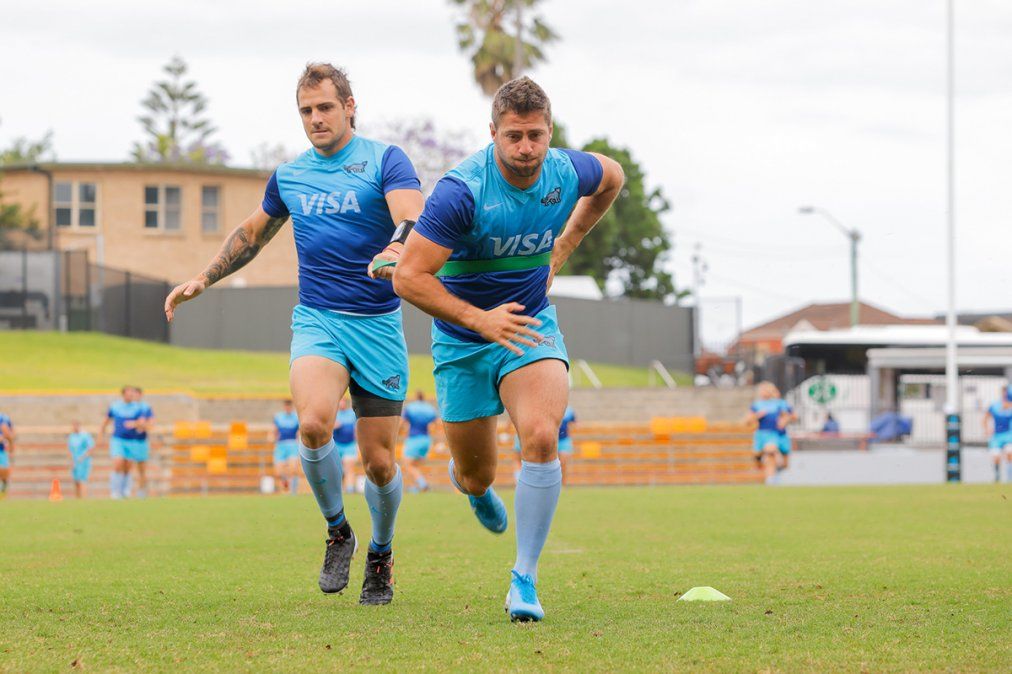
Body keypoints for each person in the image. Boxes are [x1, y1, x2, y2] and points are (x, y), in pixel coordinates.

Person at [164, 63, 423, 606]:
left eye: (325, 107)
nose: (315, 118)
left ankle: (381, 551)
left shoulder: (385, 160)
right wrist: (204, 277)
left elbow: (411, 215)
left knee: (379, 463)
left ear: (349, 106)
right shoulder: (289, 175)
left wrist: (396, 247)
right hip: (318, 320)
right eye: (306, 110)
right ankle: (338, 531)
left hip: (377, 326)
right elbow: (252, 234)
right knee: (312, 424)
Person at [393, 77, 624, 622]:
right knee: (476, 474)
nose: (526, 148)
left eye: (535, 135)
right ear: (493, 133)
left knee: (541, 436)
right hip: (462, 340)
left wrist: (565, 244)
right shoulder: (462, 192)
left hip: (529, 326)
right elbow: (407, 278)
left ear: (550, 132)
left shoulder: (567, 172)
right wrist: (481, 320)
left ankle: (524, 578)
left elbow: (612, 176)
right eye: (514, 136)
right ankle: (473, 489)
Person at [100, 386, 154, 499]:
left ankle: (125, 490)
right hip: (118, 439)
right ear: (123, 394)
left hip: (132, 440)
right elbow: (107, 419)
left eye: (132, 394)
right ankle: (115, 491)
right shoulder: (115, 406)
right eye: (128, 394)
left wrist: (135, 424)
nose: (130, 396)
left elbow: (145, 423)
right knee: (118, 463)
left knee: (128, 466)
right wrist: (101, 433)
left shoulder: (139, 407)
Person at [513, 405, 576, 485]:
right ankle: (522, 482)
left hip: (561, 440)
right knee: (522, 461)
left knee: (562, 462)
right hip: (528, 437)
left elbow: (573, 423)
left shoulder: (568, 410)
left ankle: (562, 484)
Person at [745, 381, 793, 484]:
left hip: (773, 434)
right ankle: (766, 466)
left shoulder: (778, 403)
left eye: (766, 390)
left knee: (771, 452)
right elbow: (747, 421)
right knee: (758, 455)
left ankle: (771, 479)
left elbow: (787, 415)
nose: (764, 392)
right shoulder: (757, 405)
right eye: (762, 390)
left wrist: (783, 421)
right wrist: (757, 416)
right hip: (760, 434)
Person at [401, 390, 439, 492]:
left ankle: (423, 484)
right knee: (415, 465)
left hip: (414, 439)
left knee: (408, 465)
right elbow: (435, 424)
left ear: (416, 397)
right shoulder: (430, 408)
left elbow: (402, 422)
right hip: (426, 440)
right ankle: (416, 487)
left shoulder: (410, 407)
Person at [272, 400, 300, 495]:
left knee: (293, 468)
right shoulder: (278, 417)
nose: (288, 408)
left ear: (291, 407)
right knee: (278, 472)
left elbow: (300, 430)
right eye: (286, 406)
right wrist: (274, 438)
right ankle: (285, 482)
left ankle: (293, 492)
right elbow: (275, 429)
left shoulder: (296, 417)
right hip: (281, 445)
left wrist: (299, 440)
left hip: (292, 444)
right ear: (284, 407)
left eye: (289, 406)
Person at [983, 392, 1012, 482]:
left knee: (1010, 453)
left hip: (1008, 435)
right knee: (996, 457)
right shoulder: (994, 406)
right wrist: (987, 429)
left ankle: (1010, 477)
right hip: (996, 436)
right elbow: (985, 418)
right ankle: (997, 477)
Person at [332, 398, 359, 494]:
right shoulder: (333, 414)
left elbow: (357, 428)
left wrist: (358, 444)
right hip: (336, 445)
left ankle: (350, 489)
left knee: (349, 468)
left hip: (350, 445)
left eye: (343, 402)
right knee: (337, 470)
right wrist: (334, 425)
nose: (341, 404)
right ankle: (338, 490)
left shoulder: (352, 414)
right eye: (340, 402)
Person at [67, 421, 95, 499]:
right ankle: (77, 499)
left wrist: (82, 457)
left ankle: (83, 498)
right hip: (74, 461)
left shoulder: (85, 435)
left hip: (83, 461)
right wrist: (71, 461)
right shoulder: (72, 436)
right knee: (76, 481)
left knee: (82, 480)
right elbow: (70, 449)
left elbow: (91, 448)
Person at [0, 412, 14, 498]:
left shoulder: (3, 418)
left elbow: (9, 435)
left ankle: (3, 491)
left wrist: (11, 449)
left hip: (2, 450)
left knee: (4, 471)